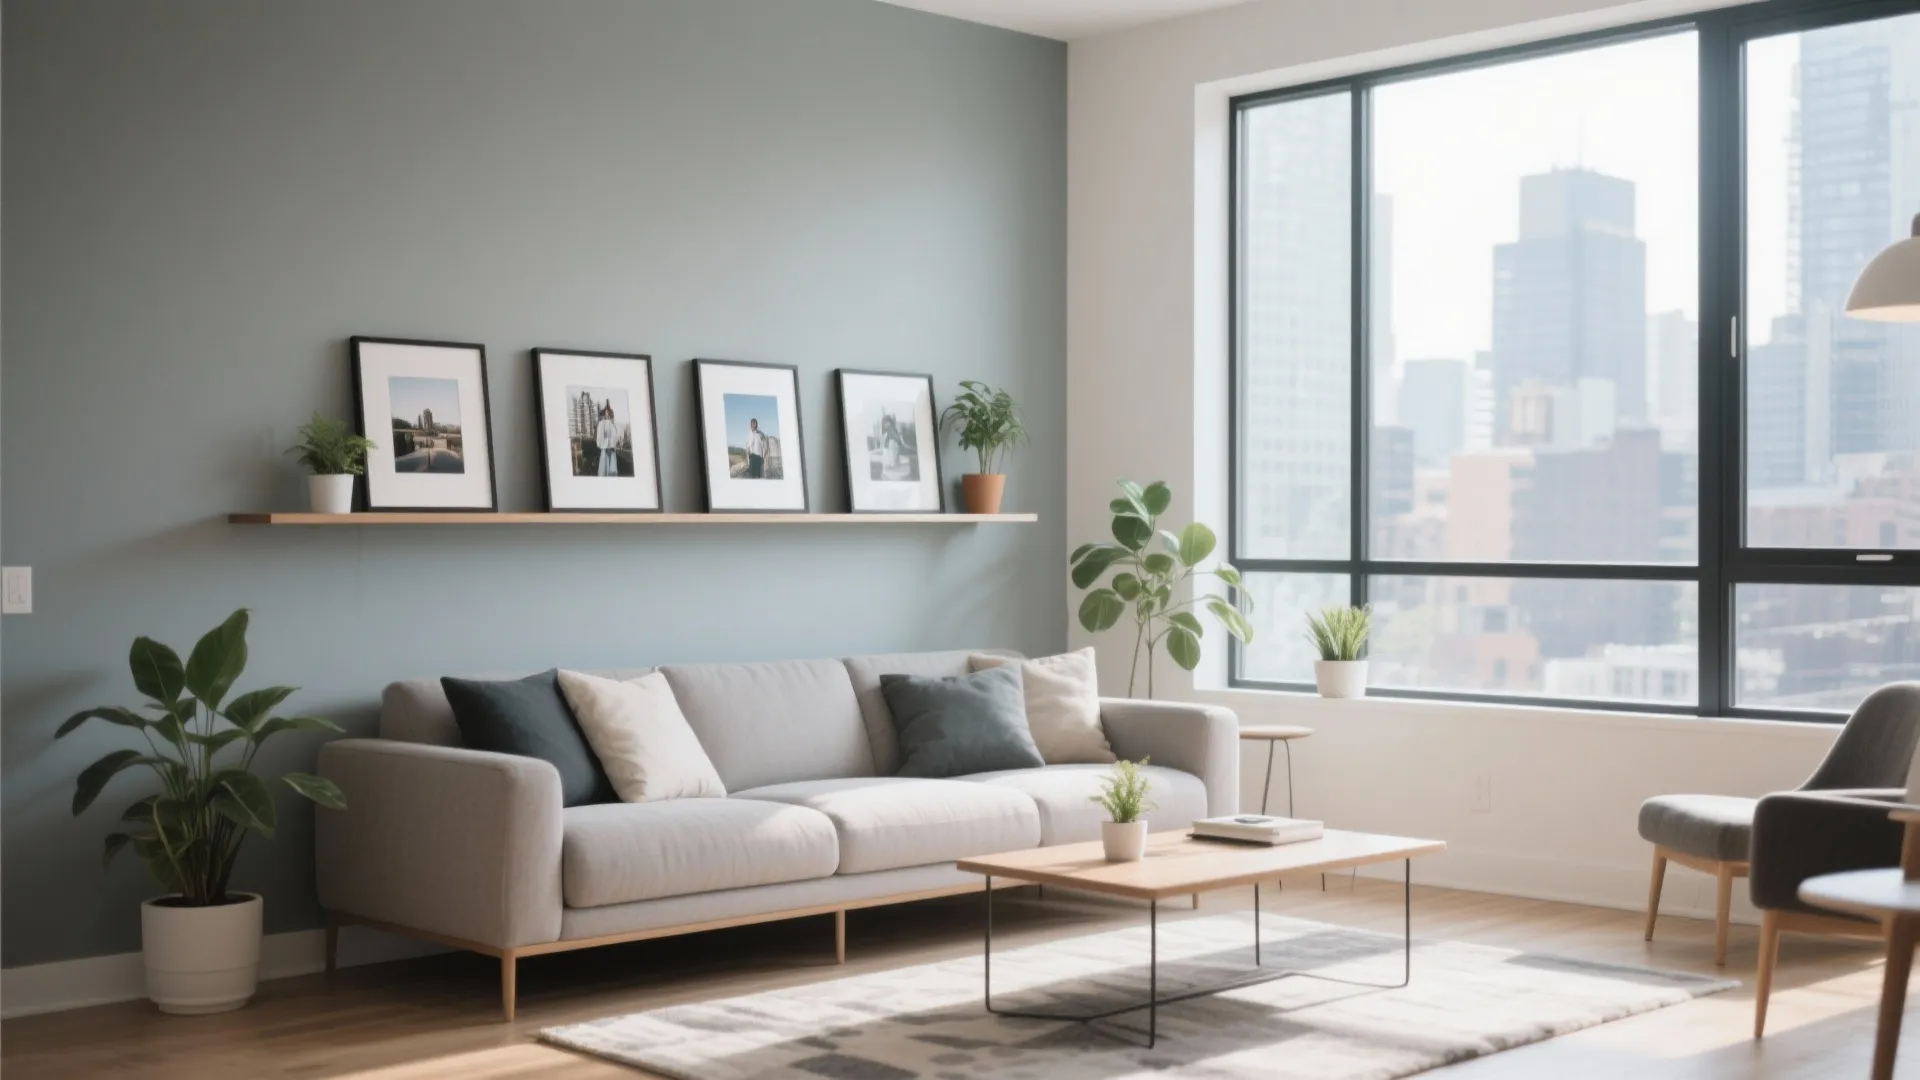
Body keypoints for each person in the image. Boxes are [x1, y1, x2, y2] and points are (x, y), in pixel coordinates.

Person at [595, 402, 619, 477]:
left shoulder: (612, 424)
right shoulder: (601, 424)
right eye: (606, 412)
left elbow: (615, 436)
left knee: (612, 468)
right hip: (604, 449)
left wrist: (611, 444)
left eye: (608, 412)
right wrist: (605, 443)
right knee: (603, 468)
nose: (607, 414)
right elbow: (599, 436)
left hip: (611, 450)